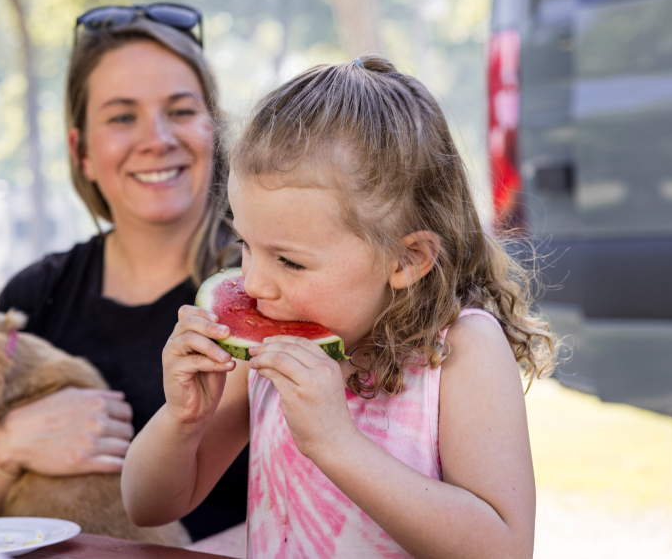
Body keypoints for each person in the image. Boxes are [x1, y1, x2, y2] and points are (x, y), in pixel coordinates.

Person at [122, 56, 557, 558]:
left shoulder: (462, 351)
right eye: (245, 244)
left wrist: (334, 442)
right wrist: (182, 420)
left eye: (289, 260)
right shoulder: (268, 355)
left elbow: (504, 549)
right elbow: (146, 507)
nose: (255, 283)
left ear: (407, 258)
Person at [0, 6, 247, 541]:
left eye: (180, 110)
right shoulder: (33, 296)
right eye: (121, 116)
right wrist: (7, 445)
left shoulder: (271, 287)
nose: (156, 138)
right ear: (81, 151)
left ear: (215, 132)